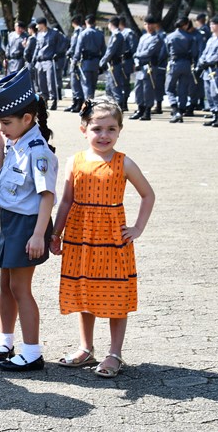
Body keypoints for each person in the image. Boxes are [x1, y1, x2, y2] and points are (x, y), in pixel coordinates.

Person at [50, 98, 155, 378]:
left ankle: (114, 353)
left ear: (120, 130)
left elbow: (148, 194)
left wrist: (137, 228)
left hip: (112, 239)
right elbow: (66, 201)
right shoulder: (76, 161)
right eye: (97, 128)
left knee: (116, 294)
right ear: (83, 128)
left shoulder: (124, 162)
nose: (104, 135)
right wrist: (56, 234)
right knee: (86, 290)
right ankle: (86, 348)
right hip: (80, 237)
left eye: (111, 129)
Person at [0, 68, 58, 372]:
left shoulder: (38, 151)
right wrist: (0, 142)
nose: (3, 128)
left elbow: (47, 196)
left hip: (28, 226)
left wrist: (39, 235)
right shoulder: (17, 142)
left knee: (21, 288)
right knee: (6, 284)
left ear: (27, 119)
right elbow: (0, 174)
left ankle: (31, 351)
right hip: (10, 222)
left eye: (6, 123)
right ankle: (6, 341)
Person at [197, 15, 218, 127]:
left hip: (216, 69)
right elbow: (204, 53)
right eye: (210, 24)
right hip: (207, 70)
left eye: (214, 24)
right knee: (209, 93)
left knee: (216, 93)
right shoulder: (211, 39)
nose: (211, 26)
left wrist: (209, 61)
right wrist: (202, 61)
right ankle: (214, 115)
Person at [164, 17, 198, 123]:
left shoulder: (170, 36)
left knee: (169, 88)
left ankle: (175, 110)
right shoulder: (190, 37)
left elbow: (166, 51)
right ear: (186, 24)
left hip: (174, 63)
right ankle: (182, 110)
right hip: (187, 64)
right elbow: (195, 53)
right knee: (183, 88)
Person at [131, 15, 163, 121]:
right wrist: (136, 60)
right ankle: (140, 109)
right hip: (140, 66)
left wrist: (137, 55)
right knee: (138, 89)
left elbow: (149, 52)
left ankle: (147, 111)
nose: (148, 26)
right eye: (146, 24)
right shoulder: (143, 37)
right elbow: (137, 51)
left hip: (149, 67)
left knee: (147, 90)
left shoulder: (157, 38)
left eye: (150, 24)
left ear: (154, 25)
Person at [73, 15, 106, 101]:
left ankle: (88, 104)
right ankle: (92, 102)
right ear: (95, 22)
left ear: (86, 22)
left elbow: (78, 50)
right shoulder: (100, 34)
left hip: (86, 63)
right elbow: (104, 50)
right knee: (93, 85)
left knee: (86, 85)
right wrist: (102, 64)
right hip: (96, 62)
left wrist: (74, 62)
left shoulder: (83, 34)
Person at [32, 17, 62, 110]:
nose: (36, 27)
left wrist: (58, 53)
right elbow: (37, 48)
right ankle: (44, 101)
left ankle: (53, 100)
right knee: (41, 83)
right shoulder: (38, 35)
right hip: (40, 61)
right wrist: (33, 59)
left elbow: (64, 42)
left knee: (50, 81)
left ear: (42, 24)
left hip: (49, 60)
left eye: (38, 25)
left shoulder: (54, 33)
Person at [100, 17, 125, 107]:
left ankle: (119, 107)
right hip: (111, 65)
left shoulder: (116, 35)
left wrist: (101, 62)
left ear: (110, 24)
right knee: (109, 88)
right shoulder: (117, 35)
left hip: (114, 65)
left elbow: (110, 51)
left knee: (115, 87)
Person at [118, 17, 138, 113]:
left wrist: (134, 62)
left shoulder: (129, 32)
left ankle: (124, 102)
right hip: (119, 61)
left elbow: (133, 48)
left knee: (125, 82)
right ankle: (120, 102)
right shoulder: (119, 33)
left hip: (126, 61)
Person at [65, 16, 85, 112]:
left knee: (75, 81)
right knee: (74, 82)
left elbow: (75, 46)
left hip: (76, 59)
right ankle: (75, 102)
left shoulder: (79, 32)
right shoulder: (78, 31)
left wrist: (69, 52)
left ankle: (78, 103)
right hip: (74, 58)